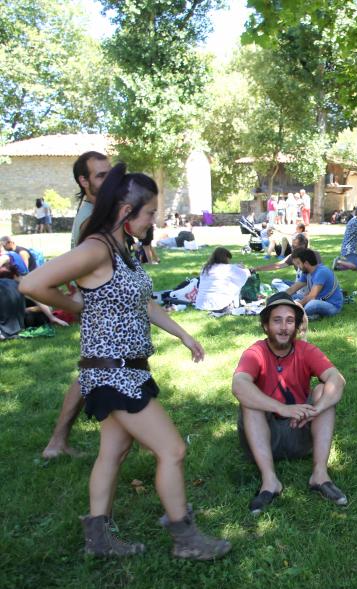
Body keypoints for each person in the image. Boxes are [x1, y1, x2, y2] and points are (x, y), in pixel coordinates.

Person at [19, 163, 230, 560]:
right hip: (111, 373)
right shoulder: (96, 247)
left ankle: (98, 540)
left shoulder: (123, 249)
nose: (153, 219)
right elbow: (31, 284)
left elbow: (143, 302)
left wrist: (183, 334)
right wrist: (76, 305)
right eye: (149, 212)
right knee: (172, 450)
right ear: (124, 211)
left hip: (128, 368)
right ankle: (185, 539)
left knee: (113, 453)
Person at [232, 292, 348, 513]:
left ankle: (320, 475)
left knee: (324, 389)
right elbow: (239, 385)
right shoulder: (255, 352)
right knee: (249, 400)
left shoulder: (306, 350)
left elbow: (337, 379)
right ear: (266, 325)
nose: (284, 327)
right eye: (277, 320)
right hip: (264, 439)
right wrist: (282, 408)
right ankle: (270, 481)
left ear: (296, 325)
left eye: (289, 320)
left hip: (301, 432)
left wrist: (317, 409)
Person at [39, 151, 112, 459]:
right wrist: (82, 304)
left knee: (97, 370)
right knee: (94, 371)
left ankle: (62, 442)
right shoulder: (89, 221)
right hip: (99, 307)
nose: (109, 181)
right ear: (84, 181)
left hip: (102, 304)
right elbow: (62, 274)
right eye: (100, 176)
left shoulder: (97, 209)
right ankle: (58, 442)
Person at [0, 261, 68, 338]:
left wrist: (52, 317)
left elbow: (45, 304)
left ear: (14, 275)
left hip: (36, 314)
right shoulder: (16, 285)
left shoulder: (25, 284)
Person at [285, 248, 343, 320]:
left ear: (306, 263)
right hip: (317, 300)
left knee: (311, 305)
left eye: (298, 263)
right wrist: (276, 298)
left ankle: (302, 314)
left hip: (332, 306)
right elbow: (293, 289)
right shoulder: (306, 272)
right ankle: (312, 314)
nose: (298, 267)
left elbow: (311, 297)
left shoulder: (321, 272)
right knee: (292, 296)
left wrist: (296, 305)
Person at [194, 248, 251, 312]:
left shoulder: (205, 268)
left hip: (200, 303)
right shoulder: (229, 268)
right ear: (226, 258)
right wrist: (242, 268)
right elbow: (245, 274)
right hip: (219, 305)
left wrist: (236, 266)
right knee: (236, 285)